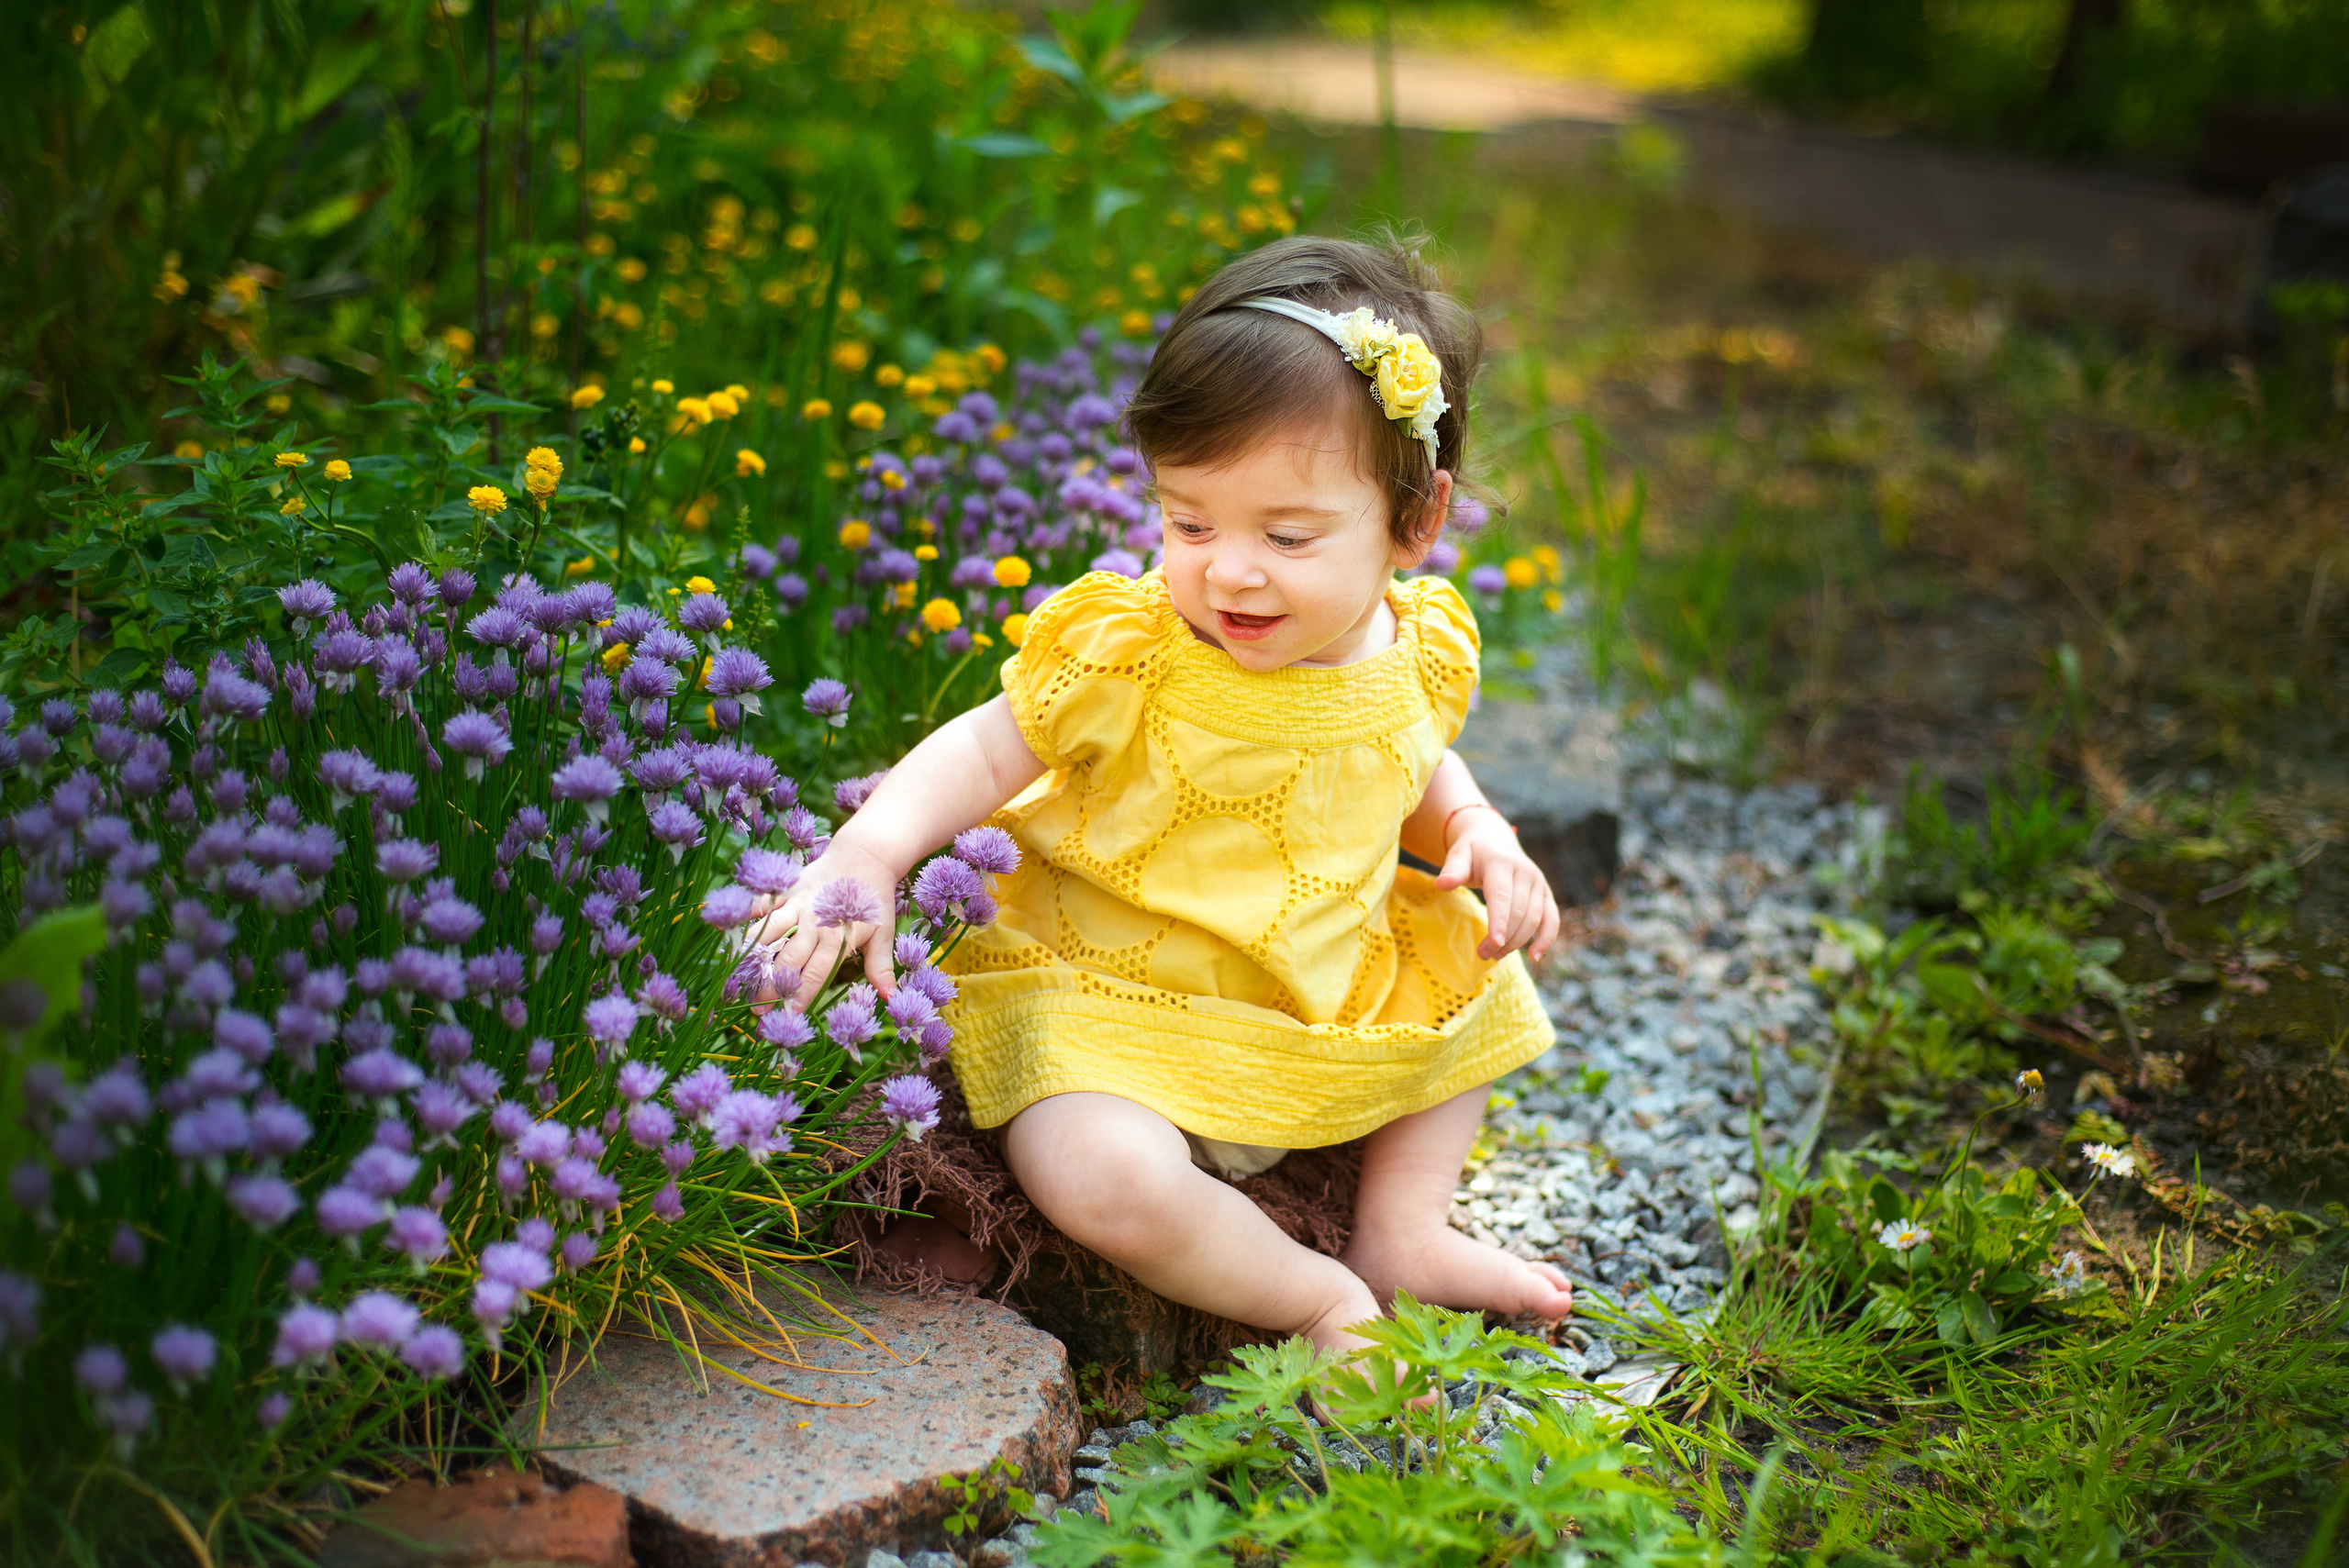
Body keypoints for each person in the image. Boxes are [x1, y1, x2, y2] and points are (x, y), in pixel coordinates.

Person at [747, 234, 1574, 1357]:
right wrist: (868, 851)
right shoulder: (1133, 650)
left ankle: (1400, 1228)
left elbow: (1410, 759)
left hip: (1304, 999)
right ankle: (1314, 1296)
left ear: (1415, 524)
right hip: (1102, 1007)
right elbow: (986, 748)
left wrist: (1475, 825)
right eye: (1189, 521)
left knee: (1477, 966)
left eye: (1286, 535)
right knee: (1093, 1171)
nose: (1229, 568)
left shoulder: (1410, 648)